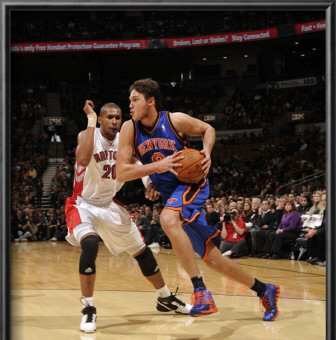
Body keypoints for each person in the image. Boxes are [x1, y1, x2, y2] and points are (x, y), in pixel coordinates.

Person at [116, 78, 280, 321]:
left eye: (134, 99)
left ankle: (200, 291)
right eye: (129, 100)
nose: (129, 105)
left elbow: (208, 129)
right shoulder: (130, 128)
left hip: (192, 184)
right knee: (213, 259)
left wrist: (207, 152)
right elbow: (122, 171)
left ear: (150, 102)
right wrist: (151, 177)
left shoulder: (174, 120)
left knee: (167, 219)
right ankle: (264, 289)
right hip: (173, 195)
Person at [65, 99, 191, 333]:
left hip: (110, 204)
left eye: (118, 117)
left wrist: (148, 181)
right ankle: (88, 308)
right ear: (101, 119)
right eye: (109, 117)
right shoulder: (88, 133)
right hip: (83, 203)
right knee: (90, 243)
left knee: (142, 252)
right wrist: (90, 120)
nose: (114, 121)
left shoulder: (125, 141)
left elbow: (135, 161)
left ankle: (164, 298)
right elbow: (82, 159)